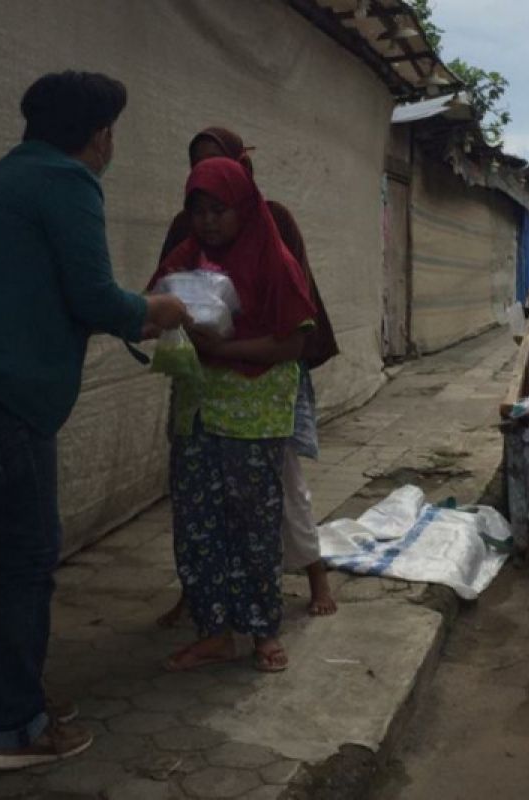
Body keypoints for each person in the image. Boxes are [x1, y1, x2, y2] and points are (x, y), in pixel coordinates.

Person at [0, 71, 189, 771]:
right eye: (114, 133)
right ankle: (15, 729)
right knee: (20, 559)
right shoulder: (65, 182)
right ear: (100, 134)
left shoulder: (2, 179)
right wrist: (156, 310)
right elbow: (95, 297)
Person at [153, 128, 340, 623]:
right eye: (199, 199)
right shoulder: (187, 236)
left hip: (260, 393)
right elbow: (158, 295)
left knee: (271, 495)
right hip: (202, 395)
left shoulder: (271, 228)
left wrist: (229, 342)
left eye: (220, 200)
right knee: (200, 511)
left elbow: (295, 318)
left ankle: (299, 583)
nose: (209, 218)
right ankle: (206, 605)